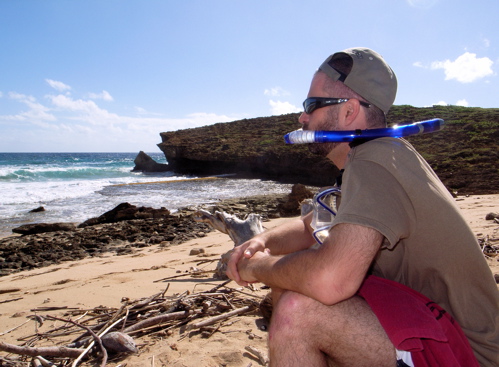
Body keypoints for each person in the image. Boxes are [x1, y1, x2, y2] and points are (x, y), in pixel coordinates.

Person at [226, 47, 499, 366]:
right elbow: (310, 225)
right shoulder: (377, 158)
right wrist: (261, 242)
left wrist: (256, 267)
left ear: (349, 111)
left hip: (468, 352)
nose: (302, 117)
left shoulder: (376, 163)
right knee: (292, 291)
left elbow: (331, 281)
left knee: (298, 310)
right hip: (429, 323)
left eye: (311, 105)